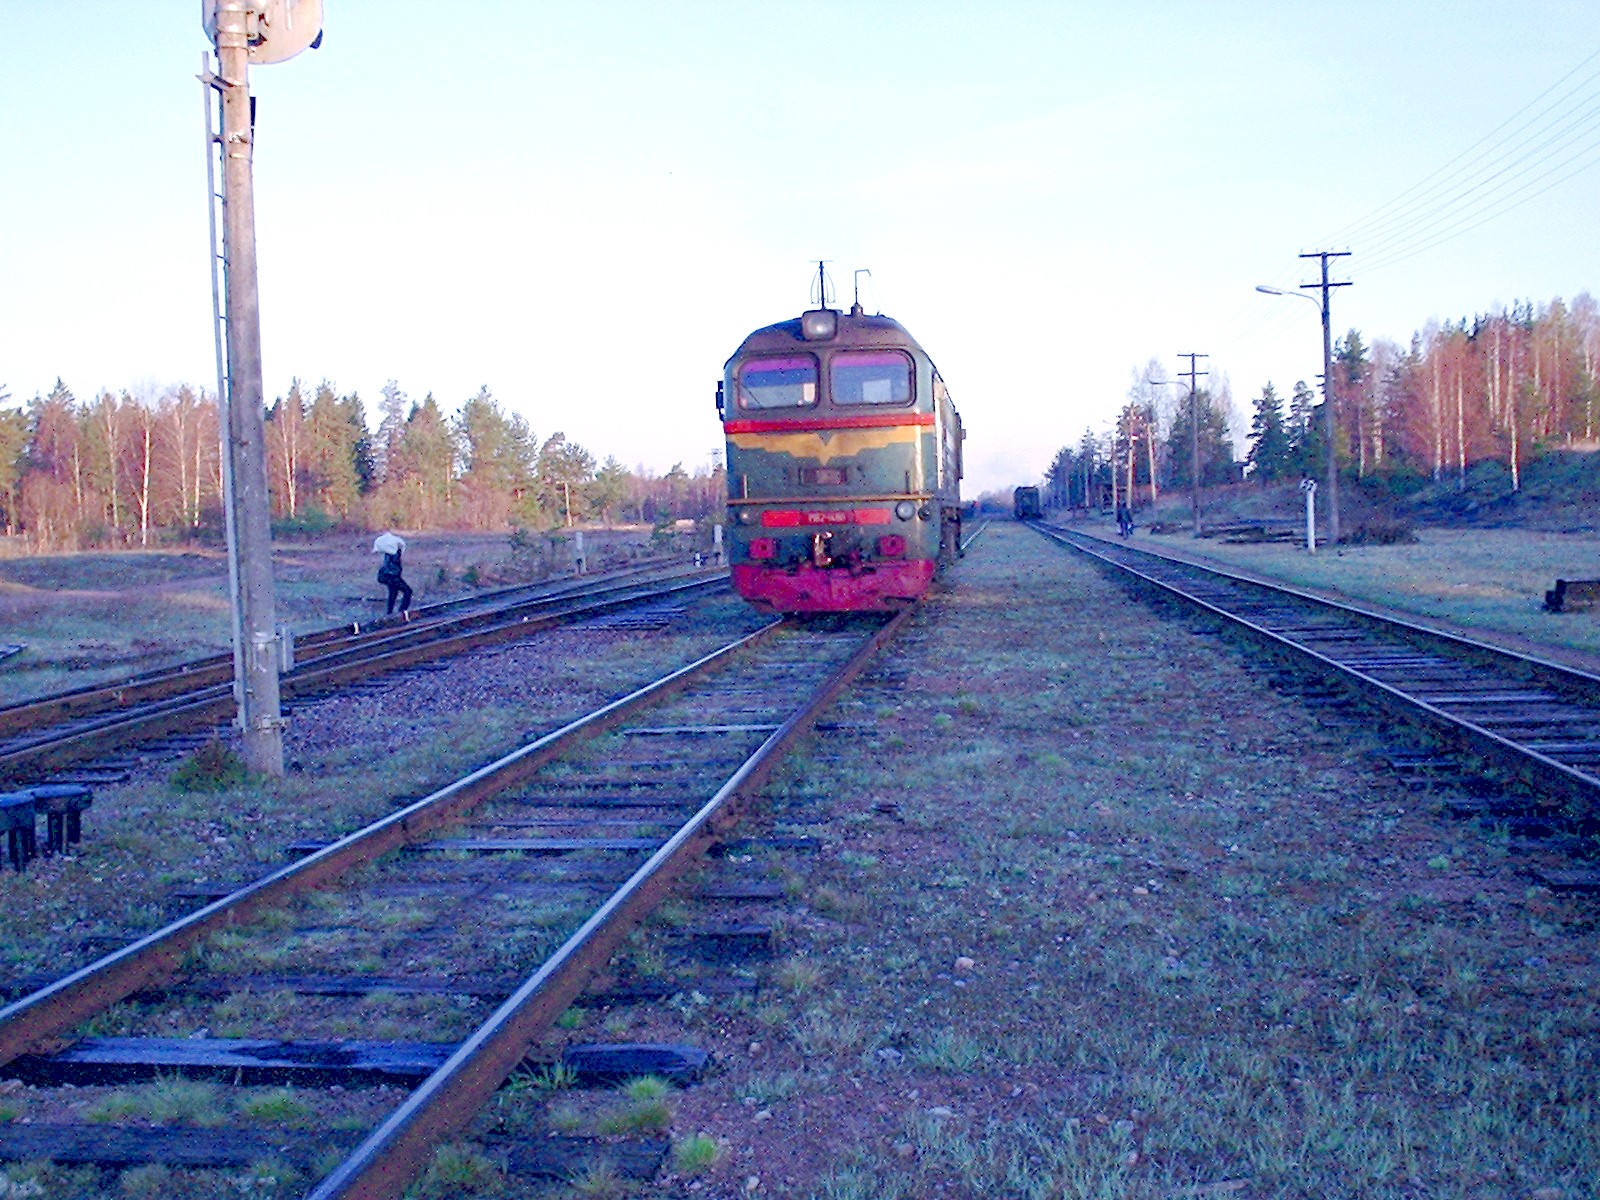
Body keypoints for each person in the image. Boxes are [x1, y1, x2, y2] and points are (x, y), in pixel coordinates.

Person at [372, 532, 412, 616]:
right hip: (393, 576)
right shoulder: (394, 552)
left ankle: (389, 613)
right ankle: (401, 612)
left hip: (387, 576)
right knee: (407, 591)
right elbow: (395, 564)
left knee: (393, 593)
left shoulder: (388, 551)